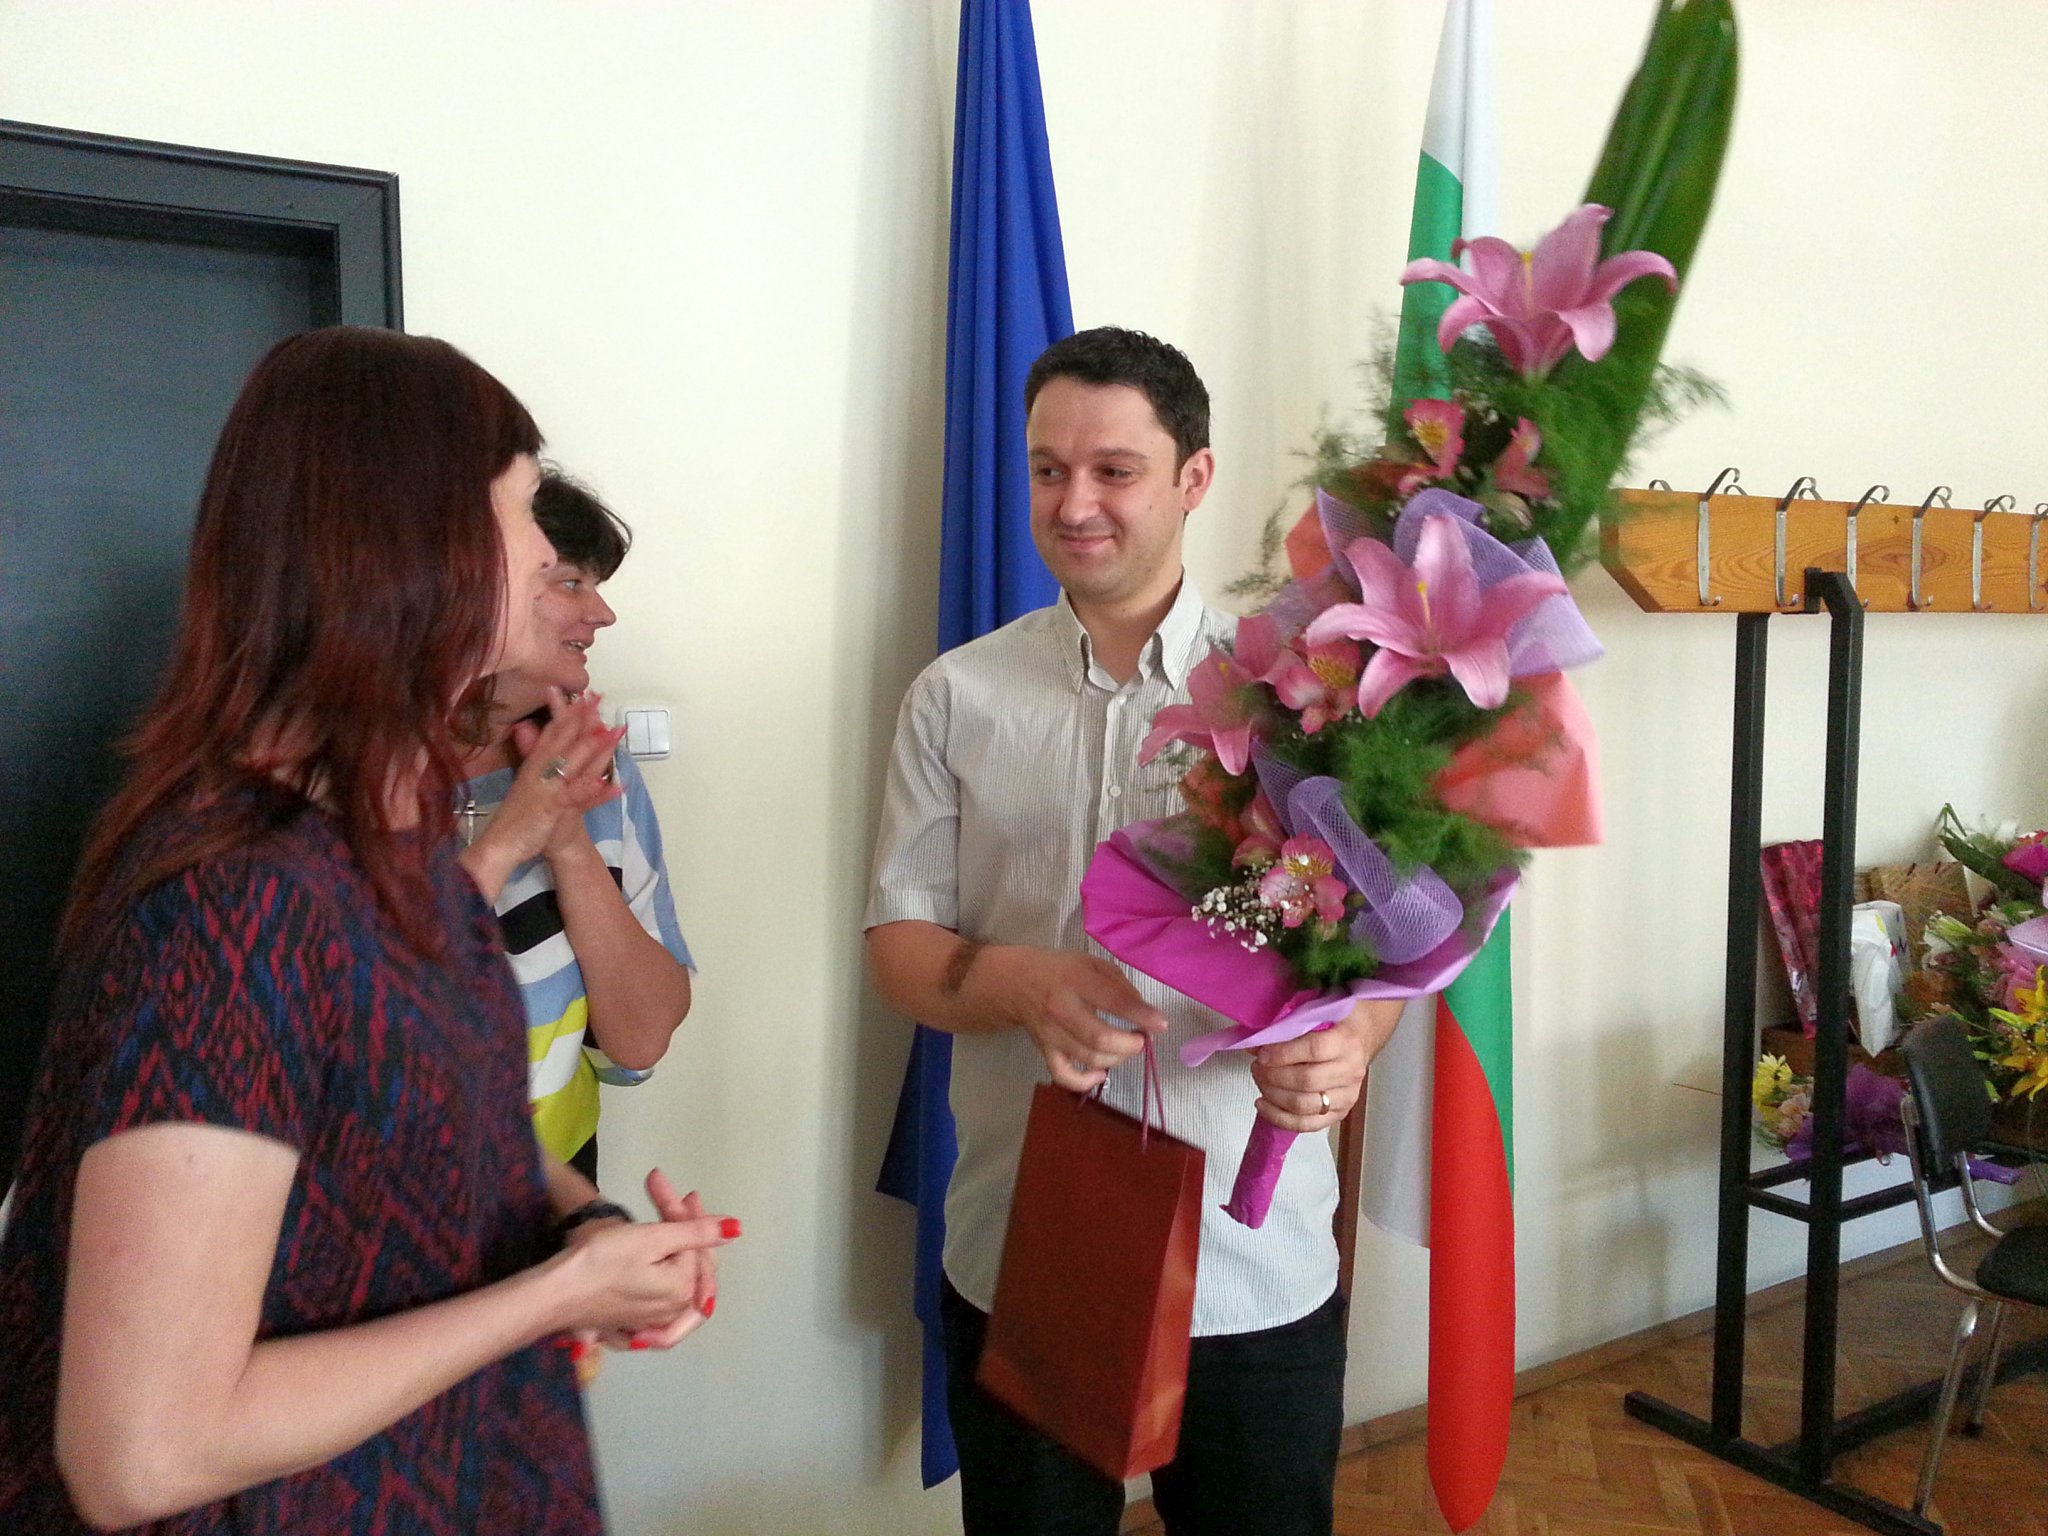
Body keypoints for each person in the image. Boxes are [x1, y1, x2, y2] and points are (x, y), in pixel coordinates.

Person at [0, 326, 735, 1535]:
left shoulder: (388, 852)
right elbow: (144, 1454)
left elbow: (430, 1127)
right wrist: (555, 1295)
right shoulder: (238, 904)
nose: (549, 557)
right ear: (416, 547)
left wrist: (587, 1224)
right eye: (521, 512)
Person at [864, 327, 1402, 1536]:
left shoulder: (1299, 695)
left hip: (1248, 1259)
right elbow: (897, 945)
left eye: (1113, 470)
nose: (1074, 503)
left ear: (1192, 477)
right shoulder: (955, 696)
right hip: (1024, 1245)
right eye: (1047, 469)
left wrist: (1351, 1043)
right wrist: (1018, 982)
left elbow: (1375, 951)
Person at [457, 468, 694, 1182]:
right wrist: (512, 834)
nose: (603, 614)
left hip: (556, 1188)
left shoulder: (594, 767)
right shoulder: (339, 777)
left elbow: (641, 1038)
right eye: (570, 583)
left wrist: (567, 842)